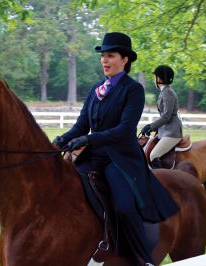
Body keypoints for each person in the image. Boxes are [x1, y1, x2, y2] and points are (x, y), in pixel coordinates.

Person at [53, 32, 178, 266]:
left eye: (110, 55)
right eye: (103, 56)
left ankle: (143, 259)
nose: (104, 60)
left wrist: (89, 140)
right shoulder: (96, 89)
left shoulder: (133, 90)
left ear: (125, 60)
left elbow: (124, 130)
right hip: (94, 156)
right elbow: (81, 125)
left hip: (120, 159)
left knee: (123, 206)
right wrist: (59, 141)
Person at [140, 65, 183, 169]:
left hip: (172, 132)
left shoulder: (167, 92)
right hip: (166, 130)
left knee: (154, 155)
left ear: (159, 78)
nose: (154, 80)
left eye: (155, 77)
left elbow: (166, 116)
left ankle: (161, 181)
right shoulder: (164, 92)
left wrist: (151, 126)